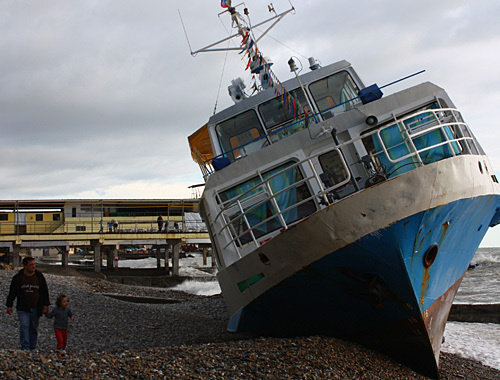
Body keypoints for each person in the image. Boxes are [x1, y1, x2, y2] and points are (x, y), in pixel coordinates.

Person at [6, 256, 50, 350]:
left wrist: (46, 305)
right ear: (25, 266)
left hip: (36, 307)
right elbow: (12, 292)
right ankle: (25, 347)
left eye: (34, 264)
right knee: (24, 326)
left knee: (33, 328)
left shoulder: (39, 276)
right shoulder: (18, 278)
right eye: (31, 265)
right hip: (22, 307)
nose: (33, 266)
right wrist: (9, 305)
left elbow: (44, 291)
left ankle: (32, 347)